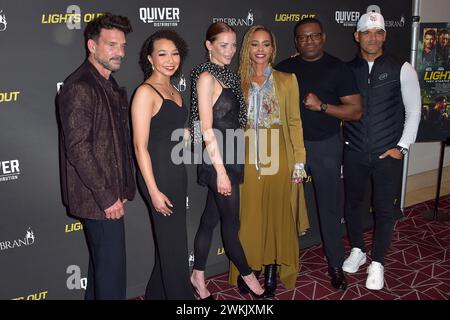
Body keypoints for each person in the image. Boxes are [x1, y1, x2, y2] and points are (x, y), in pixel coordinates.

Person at [276, 17, 362, 291]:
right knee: (283, 207)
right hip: (290, 148)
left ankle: (335, 265)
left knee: (329, 207)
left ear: (323, 37)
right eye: (303, 37)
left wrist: (322, 106)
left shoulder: (338, 68)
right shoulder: (285, 68)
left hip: (325, 146)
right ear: (296, 41)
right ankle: (276, 264)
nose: (309, 41)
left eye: (314, 36)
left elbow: (355, 111)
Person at [57, 14, 135, 300]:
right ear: (92, 45)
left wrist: (122, 187)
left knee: (103, 271)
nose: (120, 53)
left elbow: (113, 143)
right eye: (112, 45)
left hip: (109, 195)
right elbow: (78, 149)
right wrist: (107, 197)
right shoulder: (80, 87)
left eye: (123, 46)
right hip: (98, 201)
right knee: (111, 277)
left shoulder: (108, 84)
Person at [228, 25, 310, 297]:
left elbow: (295, 122)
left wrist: (299, 161)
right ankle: (250, 268)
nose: (260, 49)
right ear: (246, 49)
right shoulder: (236, 81)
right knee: (250, 214)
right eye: (254, 44)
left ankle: (274, 266)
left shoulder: (287, 80)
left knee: (277, 213)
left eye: (266, 44)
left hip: (280, 152)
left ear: (273, 49)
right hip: (248, 155)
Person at [342, 12, 421, 290]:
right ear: (357, 36)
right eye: (366, 32)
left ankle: (377, 263)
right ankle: (358, 250)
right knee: (352, 205)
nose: (372, 38)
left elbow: (414, 111)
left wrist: (402, 147)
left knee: (384, 210)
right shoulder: (347, 70)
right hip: (353, 152)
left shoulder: (403, 68)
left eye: (377, 32)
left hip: (387, 154)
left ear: (384, 35)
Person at [188, 22, 266, 299]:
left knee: (210, 219)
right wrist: (220, 172)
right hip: (217, 161)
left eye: (233, 45)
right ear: (209, 45)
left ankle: (197, 275)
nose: (230, 50)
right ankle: (249, 277)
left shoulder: (229, 76)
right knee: (231, 226)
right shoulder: (206, 78)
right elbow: (206, 128)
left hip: (231, 157)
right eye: (224, 45)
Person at [131, 30, 194, 300]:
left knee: (170, 244)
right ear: (150, 58)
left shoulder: (173, 89)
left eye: (175, 53)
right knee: (175, 249)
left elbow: (168, 129)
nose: (170, 60)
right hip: (157, 176)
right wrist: (153, 190)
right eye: (162, 54)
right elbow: (139, 146)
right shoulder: (145, 92)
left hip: (176, 172)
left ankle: (156, 294)